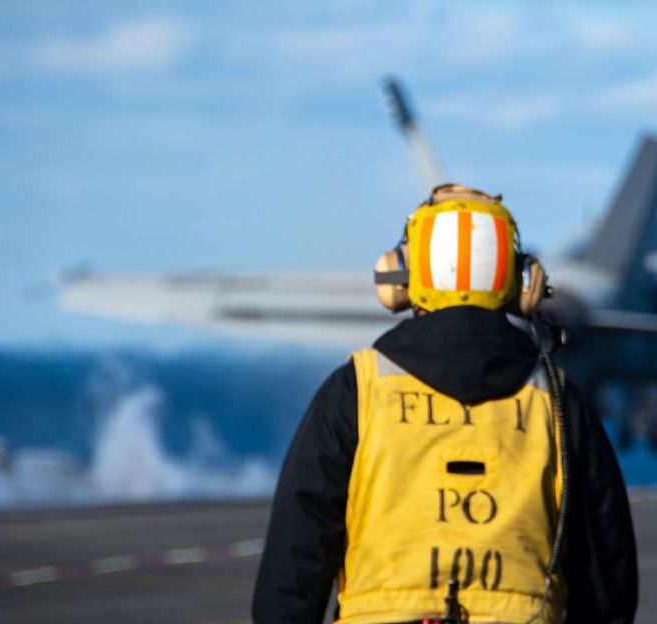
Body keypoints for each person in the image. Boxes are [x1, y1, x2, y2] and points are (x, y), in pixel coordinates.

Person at [252, 184, 637, 624]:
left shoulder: (357, 390)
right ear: (522, 284)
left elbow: (293, 566)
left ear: (401, 276)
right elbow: (609, 580)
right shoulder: (557, 402)